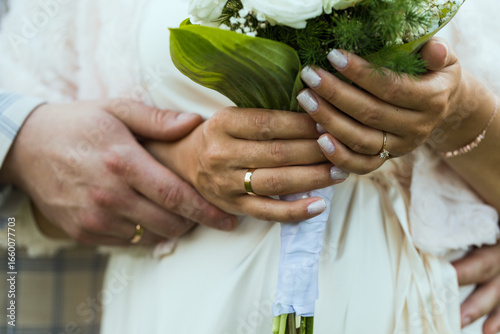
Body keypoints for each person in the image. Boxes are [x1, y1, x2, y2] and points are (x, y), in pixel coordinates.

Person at [0, 0, 499, 334]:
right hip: (186, 309)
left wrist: (462, 112)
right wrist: (170, 162)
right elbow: (36, 155)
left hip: (445, 307)